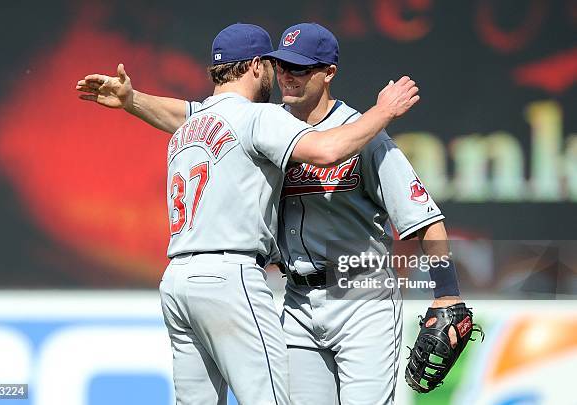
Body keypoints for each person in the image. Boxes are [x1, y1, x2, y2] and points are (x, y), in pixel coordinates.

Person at [76, 23, 419, 405]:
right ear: (257, 65)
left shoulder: (195, 124)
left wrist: (132, 99)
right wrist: (383, 111)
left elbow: (179, 114)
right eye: (275, 65)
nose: (282, 75)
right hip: (231, 275)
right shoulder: (259, 117)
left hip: (176, 281)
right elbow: (327, 150)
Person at [264, 23, 464, 405]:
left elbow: (424, 218)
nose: (287, 76)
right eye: (281, 65)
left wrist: (447, 292)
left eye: (300, 68)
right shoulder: (269, 129)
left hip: (362, 298)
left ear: (329, 73)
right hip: (297, 301)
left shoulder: (365, 136)